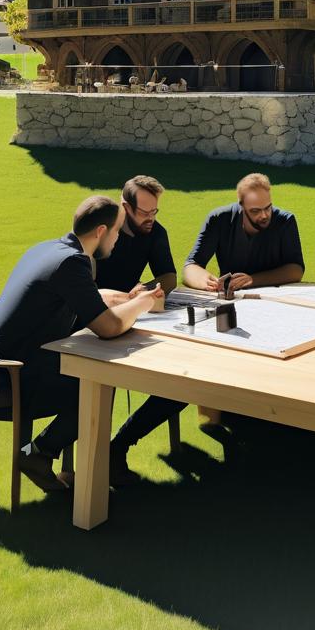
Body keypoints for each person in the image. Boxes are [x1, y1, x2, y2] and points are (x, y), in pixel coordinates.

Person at [0, 196, 164, 492]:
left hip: (2, 367)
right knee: (100, 378)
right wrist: (141, 304)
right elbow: (109, 327)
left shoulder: (51, 249)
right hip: (11, 378)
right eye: (117, 232)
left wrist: (124, 299)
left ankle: (47, 456)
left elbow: (88, 295)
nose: (119, 240)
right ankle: (40, 454)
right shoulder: (71, 262)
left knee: (93, 372)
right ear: (101, 232)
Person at [94, 175, 185, 486]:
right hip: (91, 321)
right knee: (96, 384)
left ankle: (118, 446)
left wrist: (145, 291)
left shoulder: (155, 232)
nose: (150, 219)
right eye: (144, 212)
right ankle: (84, 458)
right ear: (125, 208)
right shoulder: (102, 232)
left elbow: (169, 277)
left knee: (183, 380)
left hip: (132, 318)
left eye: (155, 211)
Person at [183, 172, 304, 292]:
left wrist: (252, 280)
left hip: (274, 296)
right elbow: (191, 266)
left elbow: (296, 270)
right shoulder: (219, 219)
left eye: (268, 208)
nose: (264, 215)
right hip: (231, 298)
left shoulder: (285, 221)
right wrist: (207, 282)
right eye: (255, 211)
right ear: (241, 206)